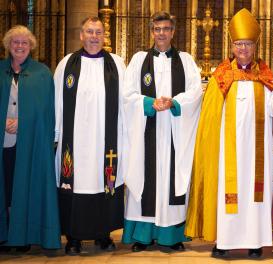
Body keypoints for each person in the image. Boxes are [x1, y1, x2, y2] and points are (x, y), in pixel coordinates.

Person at [185, 8, 273, 258]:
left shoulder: (266, 75)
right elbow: (211, 117)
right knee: (228, 192)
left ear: (254, 46)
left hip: (258, 151)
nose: (242, 48)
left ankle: (256, 242)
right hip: (227, 151)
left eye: (247, 44)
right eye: (238, 44)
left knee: (257, 194)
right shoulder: (221, 76)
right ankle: (224, 241)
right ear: (232, 46)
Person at [122, 11, 202, 252]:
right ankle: (142, 236)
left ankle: (171, 236)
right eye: (157, 29)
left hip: (174, 130)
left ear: (173, 31)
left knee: (172, 181)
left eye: (166, 29)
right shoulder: (138, 60)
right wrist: (149, 103)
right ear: (152, 31)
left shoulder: (186, 61)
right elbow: (127, 94)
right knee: (146, 179)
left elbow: (196, 92)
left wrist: (174, 103)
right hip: (147, 128)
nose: (162, 34)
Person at [54, 17, 126, 255]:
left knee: (103, 182)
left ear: (105, 36)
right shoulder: (67, 64)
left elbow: (127, 102)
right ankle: (73, 237)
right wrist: (56, 135)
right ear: (81, 35)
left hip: (107, 140)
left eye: (98, 32)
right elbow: (57, 103)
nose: (94, 37)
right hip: (74, 141)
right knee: (76, 183)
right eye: (89, 32)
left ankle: (103, 234)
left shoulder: (116, 64)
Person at [0, 25, 61, 251]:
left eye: (24, 43)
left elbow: (46, 112)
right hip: (4, 143)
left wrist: (23, 123)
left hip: (30, 144)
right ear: (8, 46)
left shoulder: (42, 73)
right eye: (15, 42)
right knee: (5, 187)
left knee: (24, 187)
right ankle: (4, 233)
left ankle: (22, 236)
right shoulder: (0, 71)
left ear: (31, 46)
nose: (19, 46)